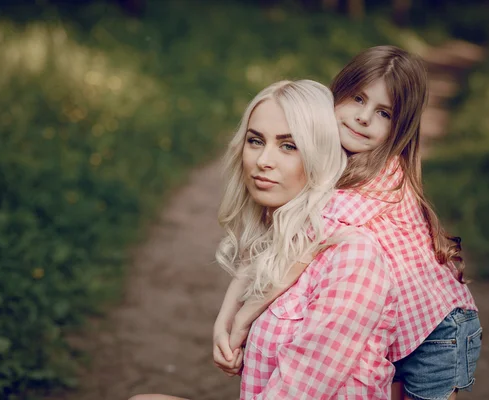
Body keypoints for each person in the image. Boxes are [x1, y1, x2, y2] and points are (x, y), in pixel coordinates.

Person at [214, 46, 482, 400]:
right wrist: (226, 312)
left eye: (383, 113)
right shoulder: (334, 161)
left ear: (399, 128)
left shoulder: (379, 180)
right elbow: (274, 248)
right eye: (357, 99)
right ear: (335, 94)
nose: (363, 118)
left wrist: (242, 319)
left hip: (439, 331)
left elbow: (302, 250)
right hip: (396, 322)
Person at [131, 79, 399, 400]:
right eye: (256, 141)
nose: (263, 161)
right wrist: (226, 322)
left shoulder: (353, 257)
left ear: (320, 155)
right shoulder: (284, 238)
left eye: (289, 146)